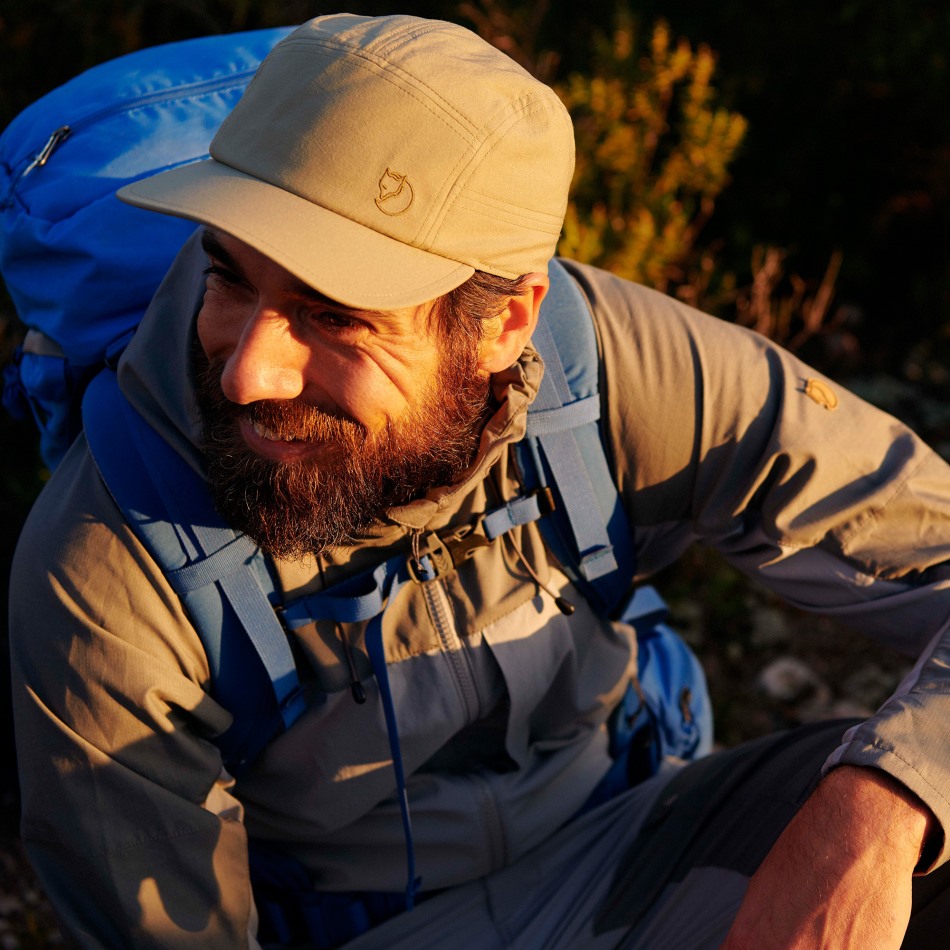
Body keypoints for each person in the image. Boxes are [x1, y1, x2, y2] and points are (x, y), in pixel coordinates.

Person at [9, 13, 950, 949]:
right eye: (229, 279)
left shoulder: (611, 372)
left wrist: (890, 796)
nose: (246, 373)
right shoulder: (103, 573)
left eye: (334, 316)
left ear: (507, 325)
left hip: (634, 843)